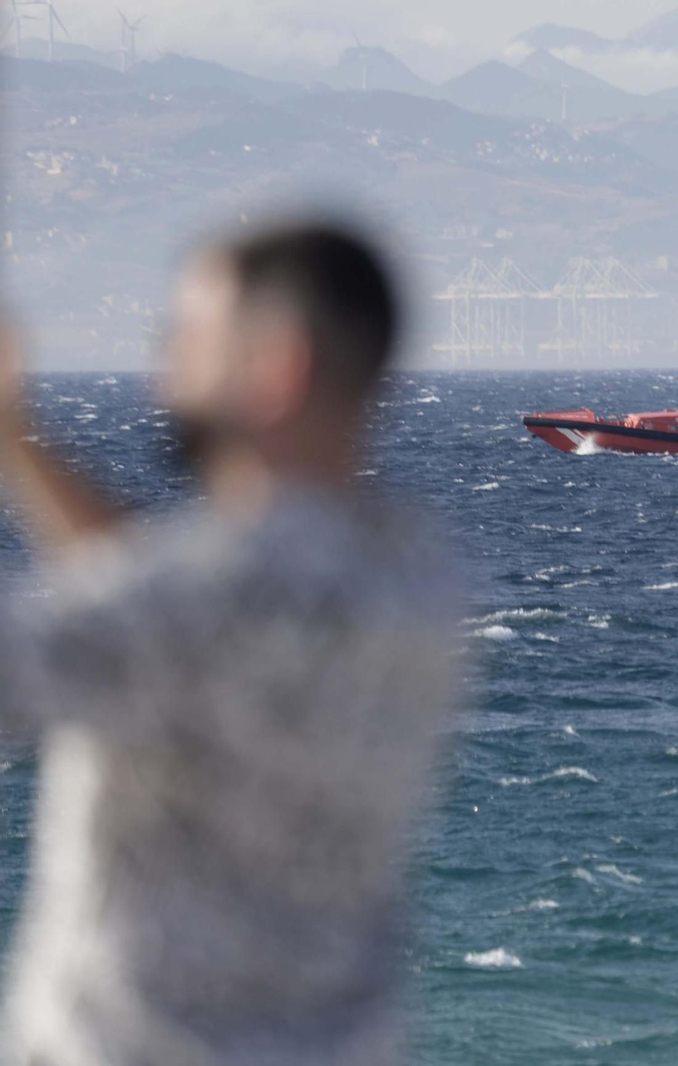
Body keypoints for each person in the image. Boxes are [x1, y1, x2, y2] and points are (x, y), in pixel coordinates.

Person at [0, 222, 457, 1064]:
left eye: (185, 333)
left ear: (276, 364)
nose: (162, 361)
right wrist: (16, 441)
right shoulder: (412, 568)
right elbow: (150, 599)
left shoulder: (209, 606)